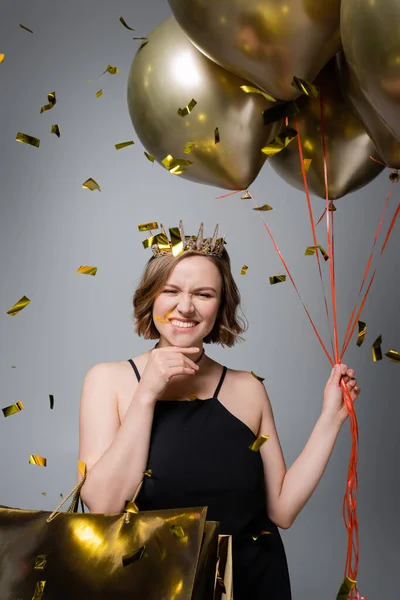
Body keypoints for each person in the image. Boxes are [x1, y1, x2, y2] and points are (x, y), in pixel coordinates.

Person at [78, 222, 360, 600]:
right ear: (151, 298)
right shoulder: (108, 381)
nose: (185, 307)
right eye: (171, 291)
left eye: (204, 294)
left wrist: (331, 417)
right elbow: (103, 505)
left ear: (220, 306)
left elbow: (283, 510)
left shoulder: (248, 388)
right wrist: (146, 394)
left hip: (255, 583)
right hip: (154, 588)